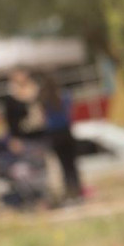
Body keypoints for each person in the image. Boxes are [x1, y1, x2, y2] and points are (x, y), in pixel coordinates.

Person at [38, 73, 83, 202]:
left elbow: (43, 118)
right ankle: (77, 190)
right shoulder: (65, 95)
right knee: (72, 165)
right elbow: (70, 113)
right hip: (66, 132)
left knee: (63, 165)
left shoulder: (44, 99)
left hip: (54, 134)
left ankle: (69, 192)